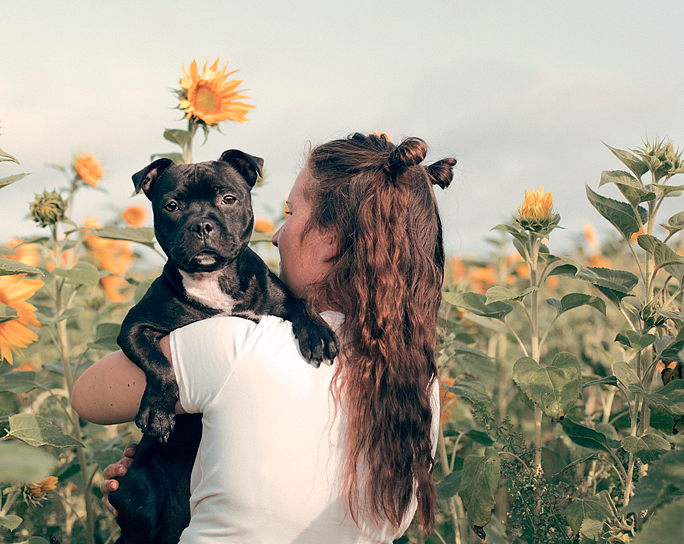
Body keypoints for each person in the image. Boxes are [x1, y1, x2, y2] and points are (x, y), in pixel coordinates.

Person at [71, 132, 456, 543]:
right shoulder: (419, 381)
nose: (276, 235)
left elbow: (87, 397)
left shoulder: (234, 345)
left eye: (291, 214)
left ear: (332, 241)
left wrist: (140, 494)